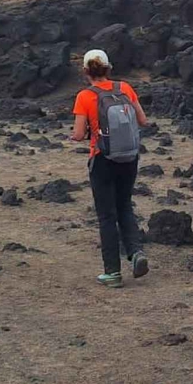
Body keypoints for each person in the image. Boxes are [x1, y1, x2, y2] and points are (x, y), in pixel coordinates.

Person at [70, 48, 150, 288]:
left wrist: (78, 135)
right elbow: (143, 120)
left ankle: (112, 272)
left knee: (107, 215)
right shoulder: (124, 88)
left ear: (86, 71)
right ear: (108, 68)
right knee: (124, 205)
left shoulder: (84, 96)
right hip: (129, 158)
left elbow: (79, 133)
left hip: (102, 159)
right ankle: (136, 252)